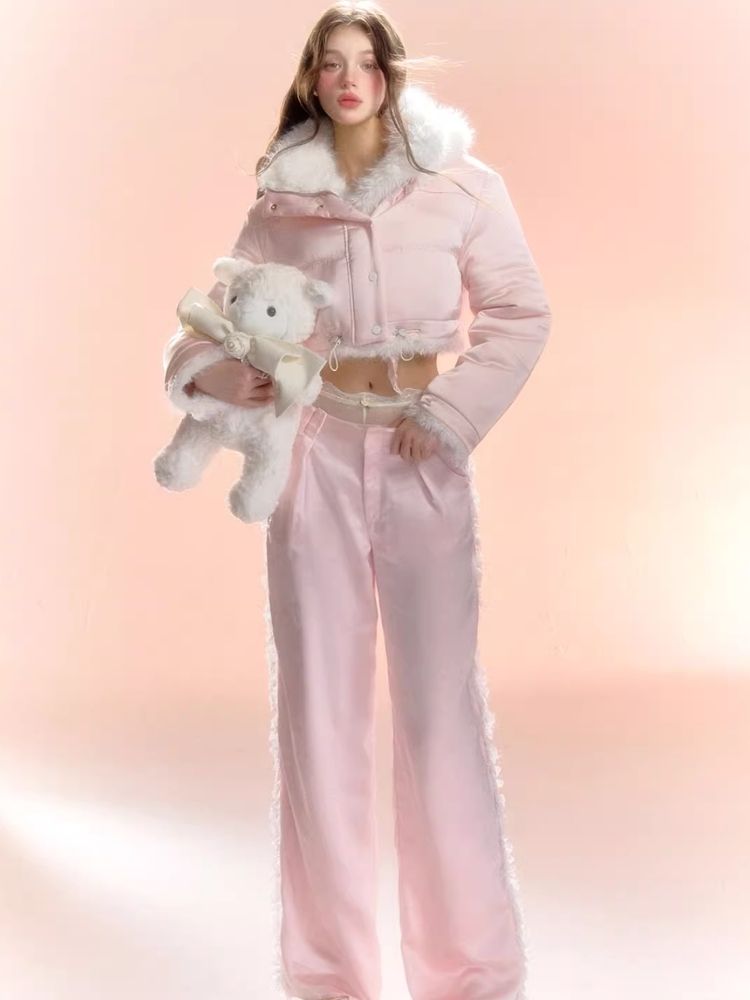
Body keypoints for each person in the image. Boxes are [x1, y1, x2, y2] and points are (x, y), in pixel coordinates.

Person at [162, 4, 551, 998]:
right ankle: (330, 976)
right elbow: (218, 320)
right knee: (319, 713)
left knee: (439, 714)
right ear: (310, 79)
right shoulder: (282, 202)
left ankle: (470, 971)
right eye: (329, 63)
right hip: (316, 459)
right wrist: (214, 376)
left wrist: (452, 413)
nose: (348, 79)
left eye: (365, 62)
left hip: (425, 458)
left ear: (390, 74)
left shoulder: (463, 185)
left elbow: (519, 311)